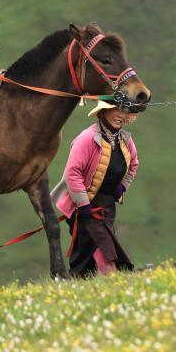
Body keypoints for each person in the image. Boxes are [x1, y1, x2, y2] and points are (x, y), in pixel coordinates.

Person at [51, 100, 140, 277]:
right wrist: (83, 205)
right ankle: (107, 277)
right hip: (83, 206)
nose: (120, 115)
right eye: (115, 110)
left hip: (107, 206)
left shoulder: (125, 139)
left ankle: (97, 280)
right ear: (102, 112)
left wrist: (122, 187)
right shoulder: (87, 138)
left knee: (98, 247)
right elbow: (73, 173)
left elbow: (133, 165)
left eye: (124, 111)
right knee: (89, 250)